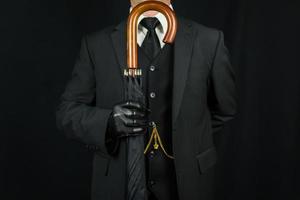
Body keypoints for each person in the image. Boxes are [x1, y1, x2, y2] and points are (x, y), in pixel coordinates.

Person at [55, 0, 238, 199]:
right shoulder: (96, 44)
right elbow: (67, 112)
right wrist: (107, 122)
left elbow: (224, 109)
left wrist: (189, 138)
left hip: (189, 185)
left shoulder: (209, 40)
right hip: (118, 185)